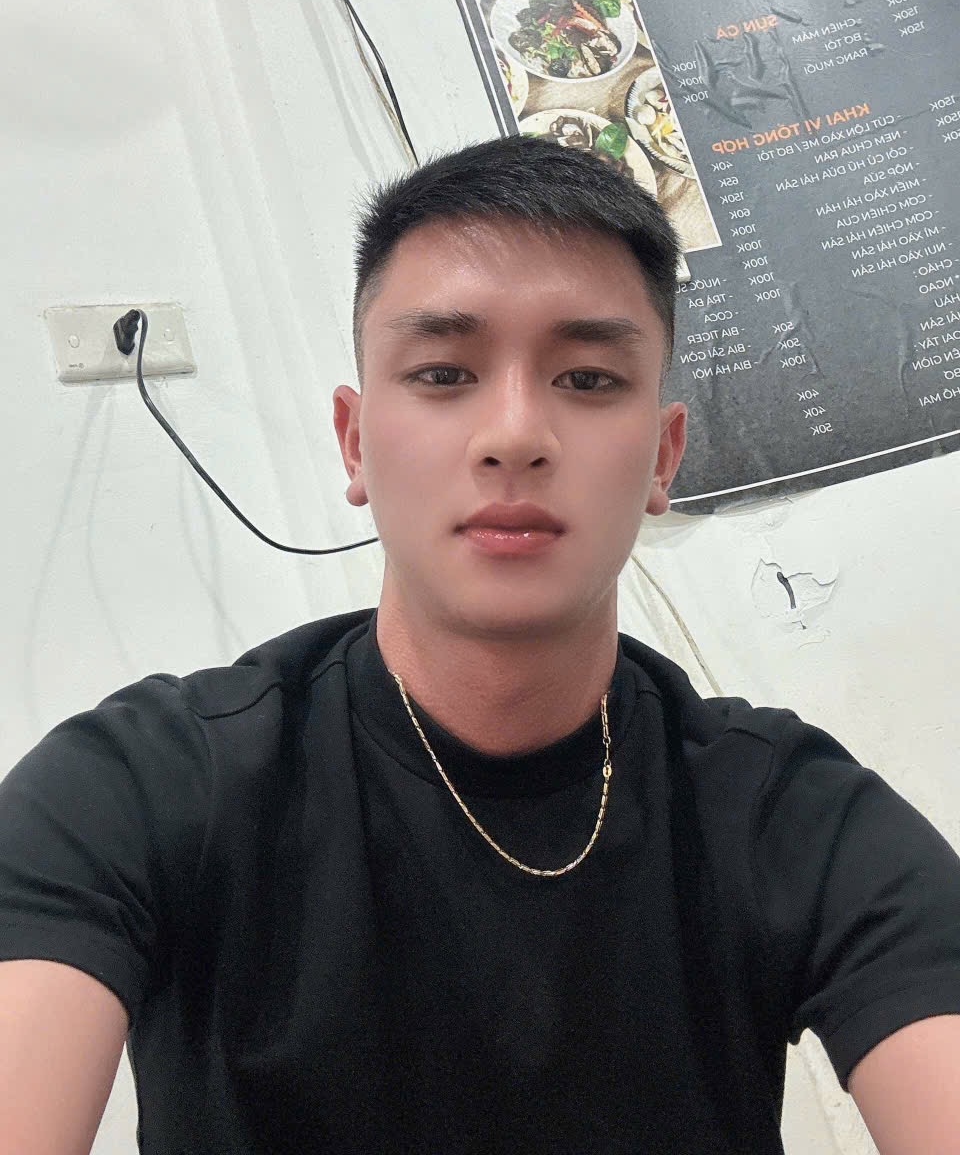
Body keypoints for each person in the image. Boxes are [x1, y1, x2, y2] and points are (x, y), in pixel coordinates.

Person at [1, 136, 958, 1155]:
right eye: (444, 372)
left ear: (663, 455)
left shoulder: (789, 815)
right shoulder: (144, 782)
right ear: (355, 441)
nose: (514, 434)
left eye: (587, 377)